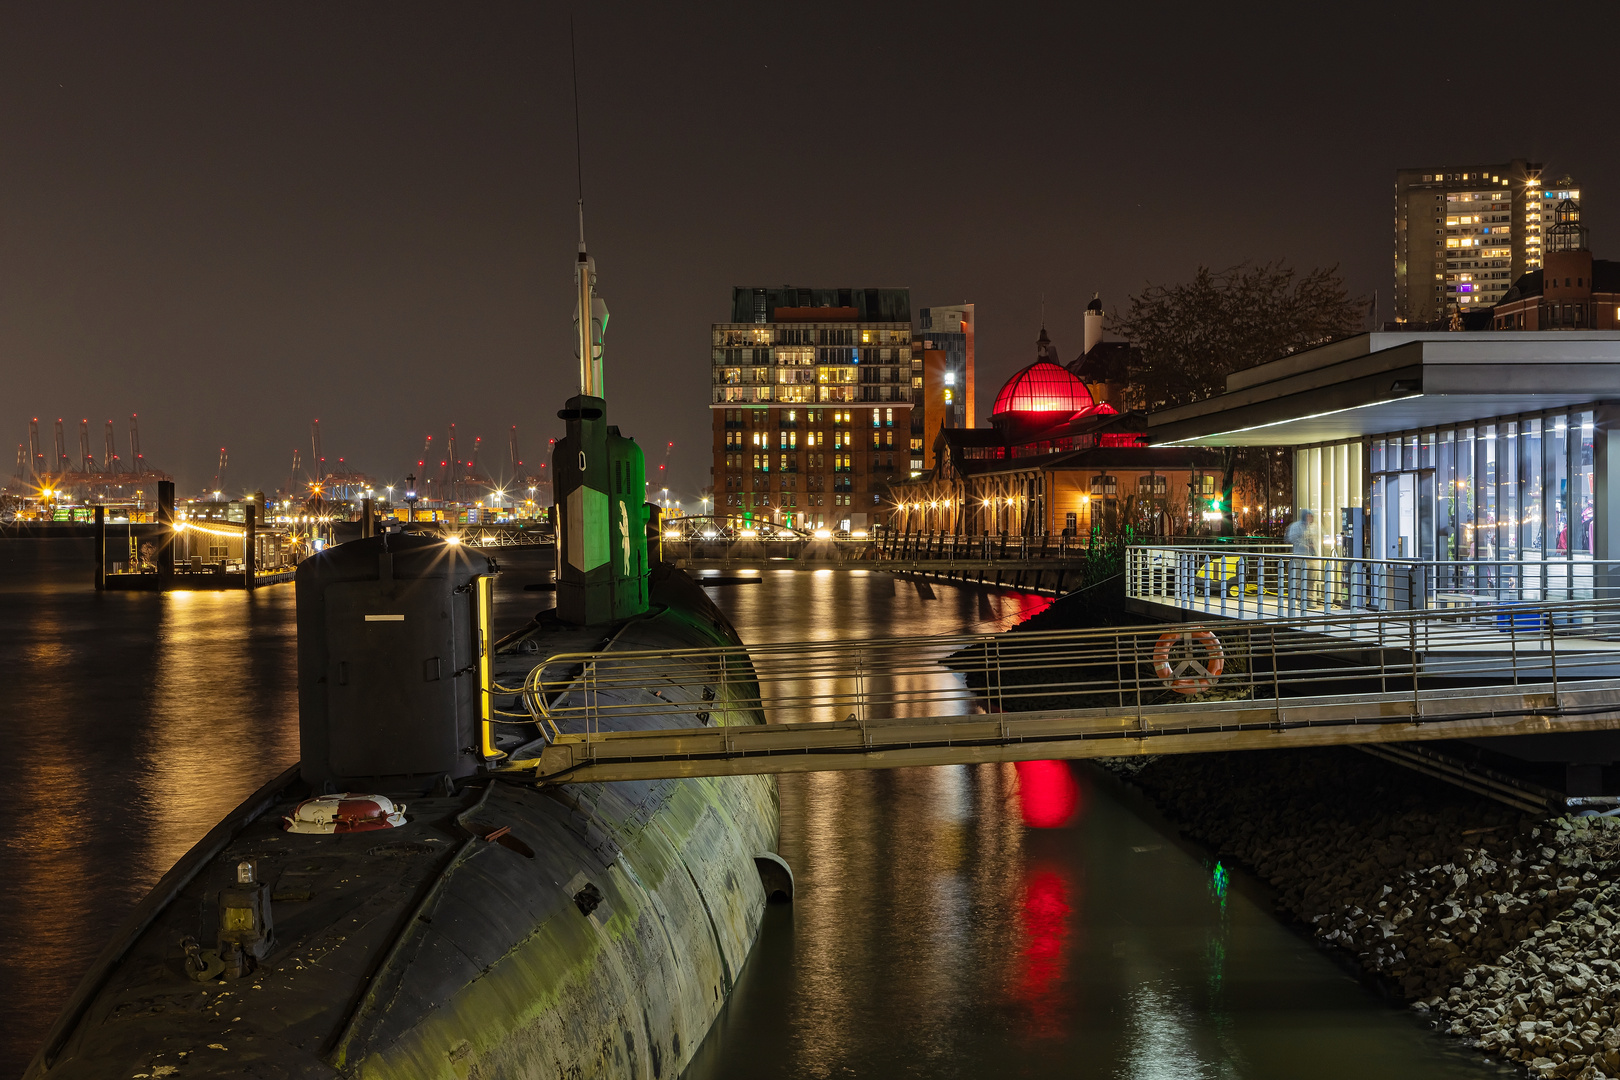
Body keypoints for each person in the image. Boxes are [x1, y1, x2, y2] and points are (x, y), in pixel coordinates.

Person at [1285, 510, 1320, 605]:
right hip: (1300, 556)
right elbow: (1292, 539)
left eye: (1311, 517)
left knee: (1312, 579)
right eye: (1308, 516)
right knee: (1299, 579)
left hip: (1312, 556)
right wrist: (1304, 545)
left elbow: (1318, 539)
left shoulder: (1314, 527)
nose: (1310, 519)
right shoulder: (1296, 527)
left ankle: (1310, 599)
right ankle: (1300, 599)